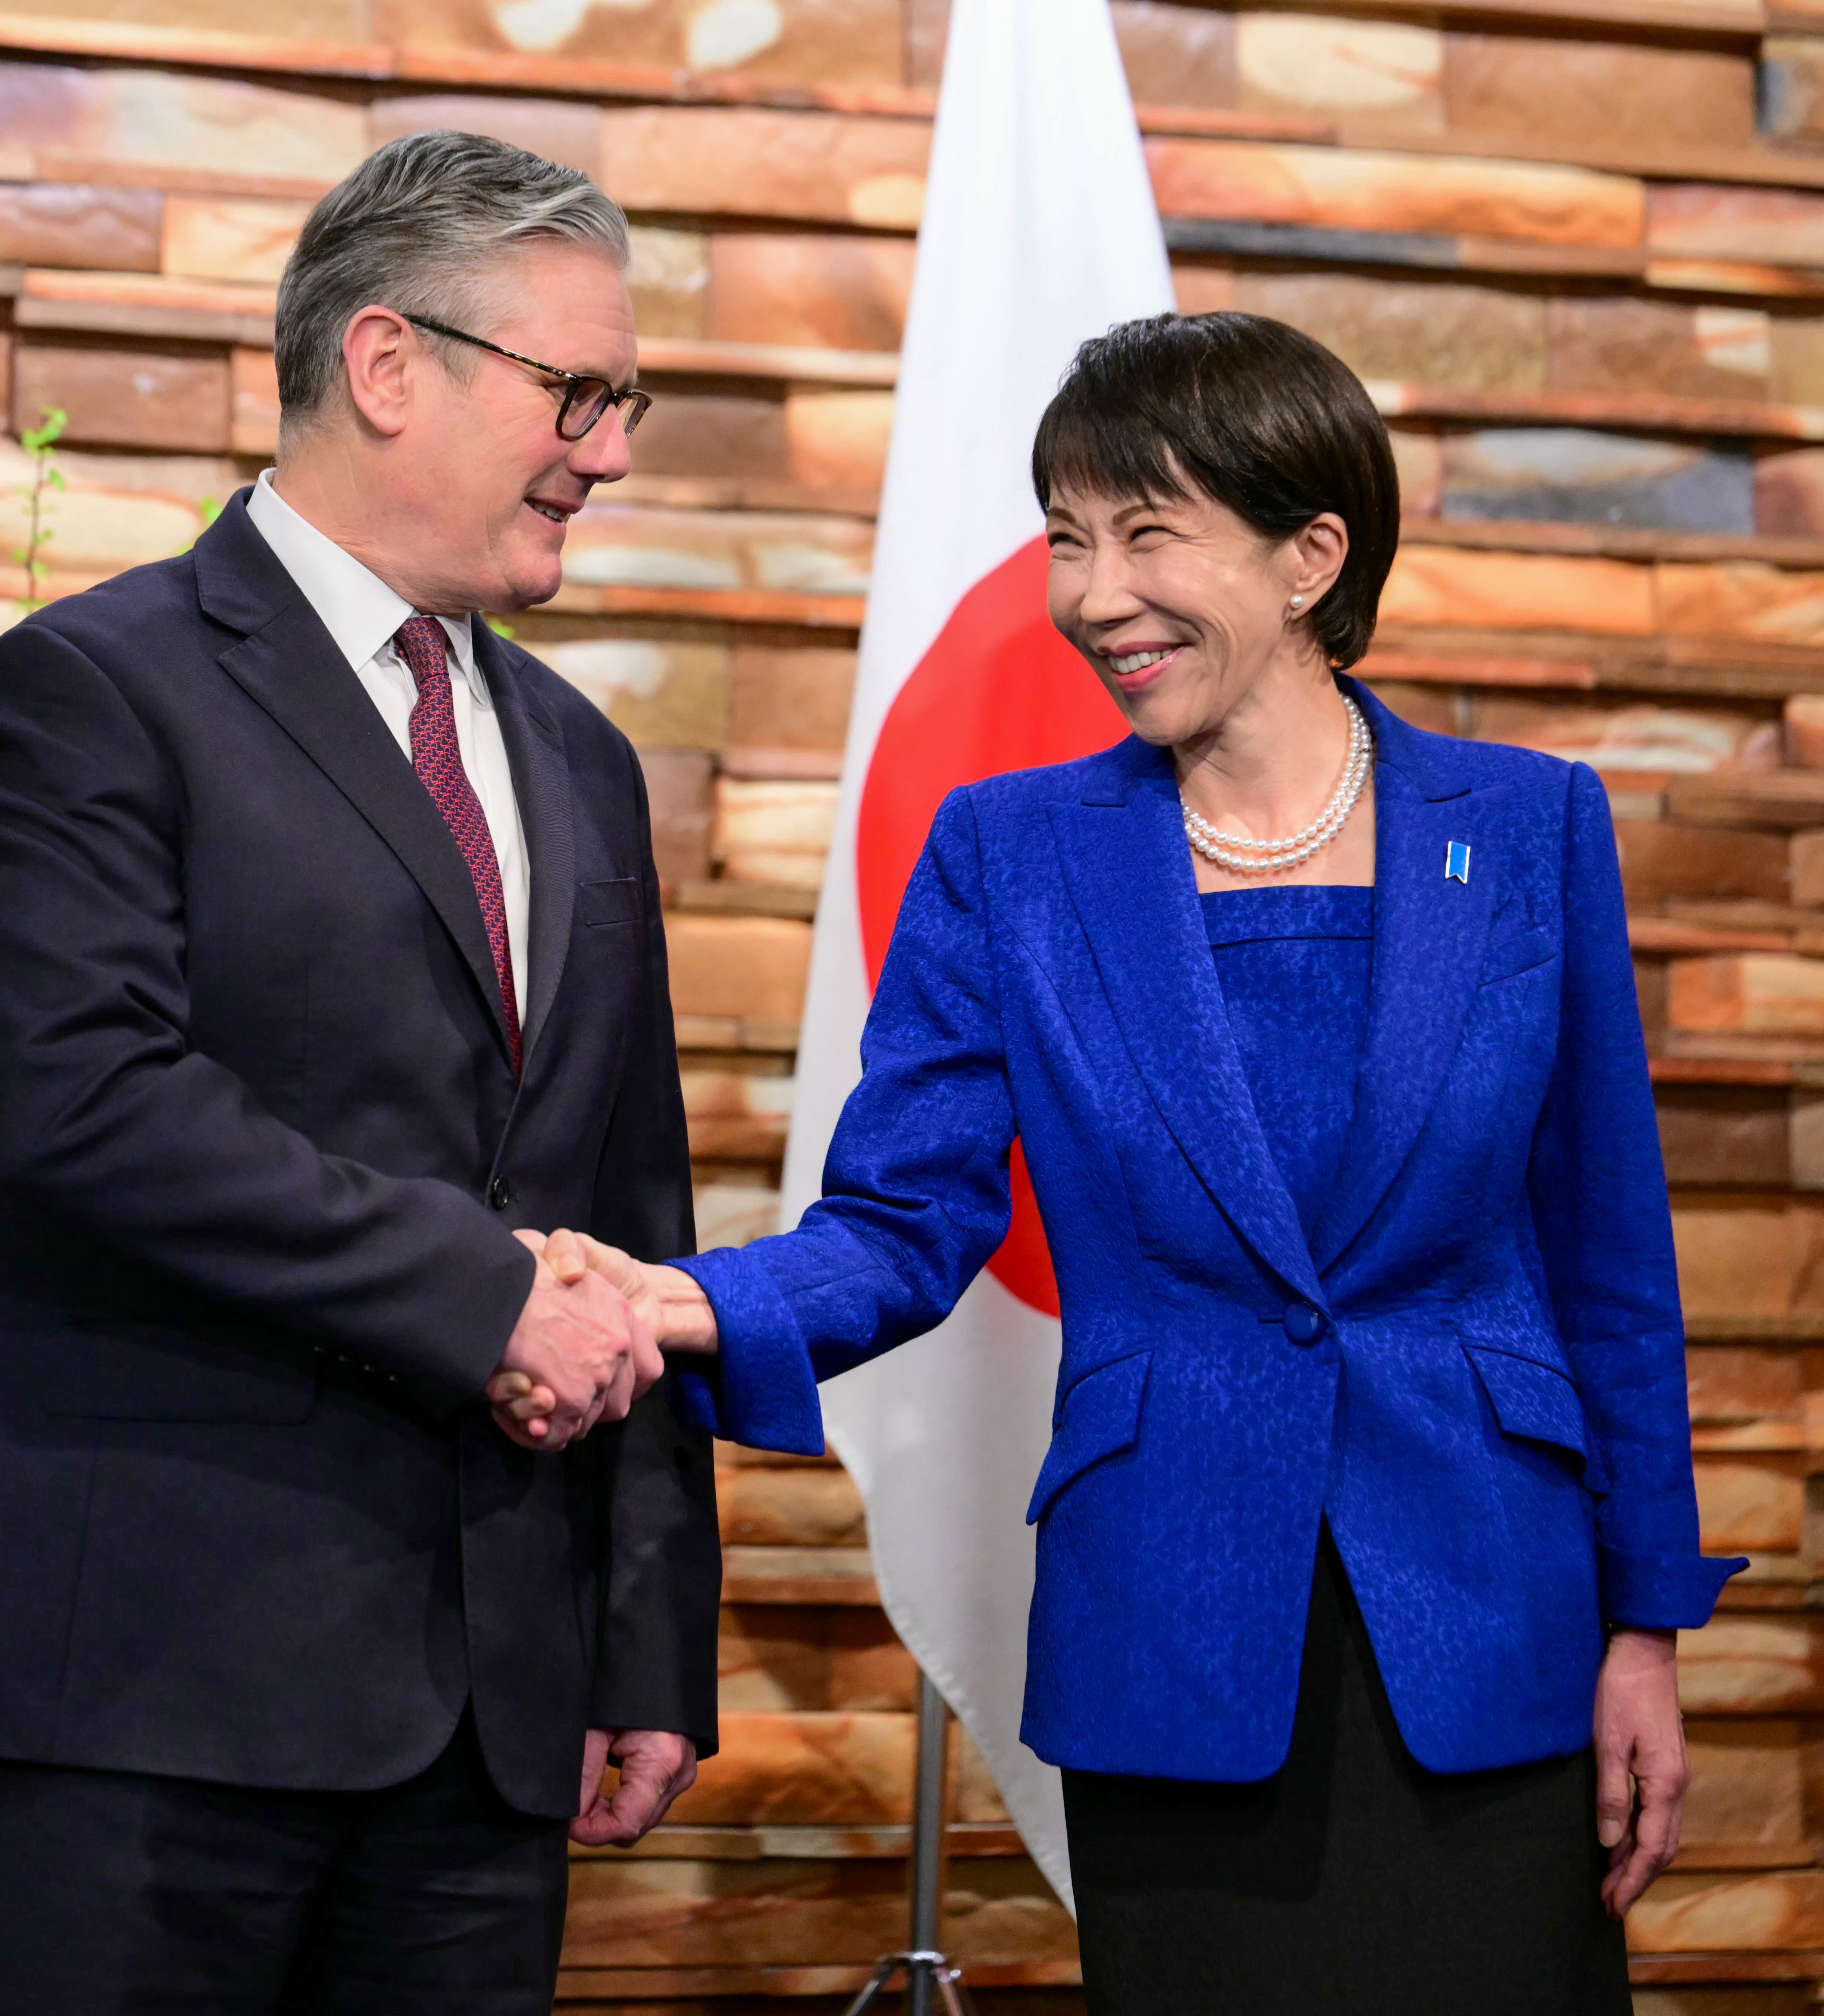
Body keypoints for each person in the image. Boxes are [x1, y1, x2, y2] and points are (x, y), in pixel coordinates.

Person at [535, 311, 1741, 2012]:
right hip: (1172, 1618)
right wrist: (692, 1301)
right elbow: (905, 1210)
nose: (1091, 592)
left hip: (1496, 1621)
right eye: (1065, 536)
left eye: (1146, 532)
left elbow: (1605, 1265)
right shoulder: (1008, 851)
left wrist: (1644, 1629)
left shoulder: (1529, 827)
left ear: (1311, 553)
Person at [0, 130, 720, 2015]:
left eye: (623, 399)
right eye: (575, 392)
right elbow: (89, 1105)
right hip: (148, 1697)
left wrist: (643, 1634)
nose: (607, 448)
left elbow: (630, 1206)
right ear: (386, 362)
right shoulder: (92, 687)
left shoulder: (581, 758)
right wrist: (484, 1290)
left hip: (489, 1727)